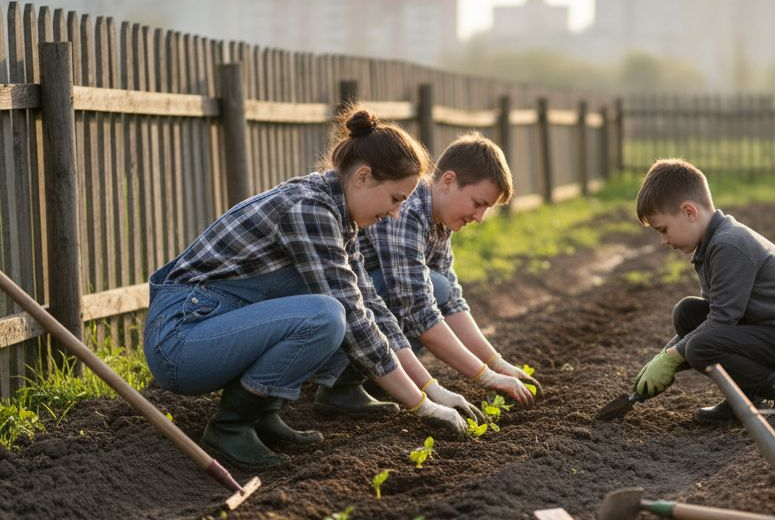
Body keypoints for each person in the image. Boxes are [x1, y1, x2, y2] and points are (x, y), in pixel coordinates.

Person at [142, 107, 477, 471]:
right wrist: (421, 405)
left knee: (342, 308)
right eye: (396, 198)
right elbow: (352, 316)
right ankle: (230, 426)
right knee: (327, 315)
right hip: (180, 341)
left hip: (215, 322)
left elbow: (372, 307)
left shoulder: (338, 214)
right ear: (363, 177)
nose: (397, 213)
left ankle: (263, 412)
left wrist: (431, 388)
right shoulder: (310, 208)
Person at [630, 159, 775, 420]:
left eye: (664, 229)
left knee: (700, 346)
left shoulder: (729, 245)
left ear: (689, 212)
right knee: (688, 313)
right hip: (774, 332)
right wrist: (663, 357)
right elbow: (710, 317)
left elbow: (721, 322)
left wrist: (671, 359)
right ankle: (745, 397)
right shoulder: (710, 244)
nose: (663, 240)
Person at [357, 132, 543, 412]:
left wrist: (496, 363)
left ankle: (377, 379)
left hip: (369, 312)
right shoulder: (406, 210)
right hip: (347, 303)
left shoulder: (440, 221)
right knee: (432, 288)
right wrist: (484, 377)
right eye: (478, 203)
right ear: (448, 181)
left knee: (441, 288)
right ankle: (350, 380)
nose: (479, 218)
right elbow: (418, 309)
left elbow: (452, 302)